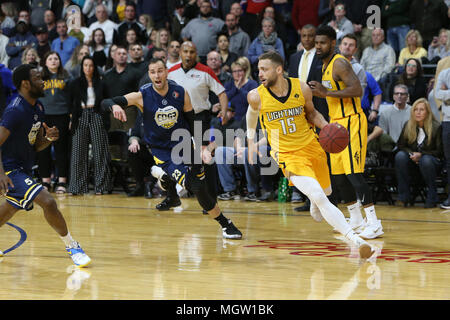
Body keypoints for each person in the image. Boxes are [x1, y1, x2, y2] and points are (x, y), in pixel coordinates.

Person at [246, 50, 374, 258]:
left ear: (278, 70)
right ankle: (356, 239)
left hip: (311, 146)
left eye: (264, 69)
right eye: (258, 69)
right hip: (287, 153)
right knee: (320, 196)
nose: (259, 73)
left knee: (326, 191)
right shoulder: (255, 96)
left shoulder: (301, 87)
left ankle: (315, 202)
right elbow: (250, 117)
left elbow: (312, 113)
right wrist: (250, 141)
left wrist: (328, 128)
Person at [101, 57, 243, 239]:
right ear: (149, 75)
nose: (157, 75)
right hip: (163, 152)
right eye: (152, 72)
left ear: (167, 72)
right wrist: (114, 107)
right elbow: (106, 102)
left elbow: (193, 120)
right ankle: (226, 224)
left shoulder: (179, 92)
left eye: (160, 71)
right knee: (196, 186)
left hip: (184, 144)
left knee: (202, 179)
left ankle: (170, 191)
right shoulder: (142, 95)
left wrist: (201, 146)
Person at [0, 64, 90, 266]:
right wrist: (1, 174)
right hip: (9, 169)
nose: (44, 82)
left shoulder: (38, 107)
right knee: (48, 201)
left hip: (23, 167)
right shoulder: (15, 110)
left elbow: (36, 145)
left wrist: (48, 138)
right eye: (38, 78)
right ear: (25, 83)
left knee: (11, 208)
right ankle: (72, 246)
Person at [309, 26, 384, 239]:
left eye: (322, 43)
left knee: (354, 174)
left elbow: (357, 90)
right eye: (316, 43)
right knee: (339, 177)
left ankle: (374, 222)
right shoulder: (323, 67)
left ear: (333, 43)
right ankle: (357, 219)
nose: (318, 46)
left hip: (351, 122)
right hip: (336, 124)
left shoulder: (339, 62)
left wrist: (326, 92)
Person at [168, 41, 229, 205]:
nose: (188, 55)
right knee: (177, 157)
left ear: (196, 54)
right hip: (178, 119)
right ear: (180, 53)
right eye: (186, 51)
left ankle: (211, 198)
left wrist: (223, 110)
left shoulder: (205, 71)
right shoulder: (171, 72)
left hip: (199, 118)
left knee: (204, 158)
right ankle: (174, 195)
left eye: (192, 52)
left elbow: (221, 92)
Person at [67, 55, 112, 195]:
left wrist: (105, 118)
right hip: (80, 116)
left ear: (95, 68)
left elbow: (106, 101)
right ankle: (77, 188)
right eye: (85, 65)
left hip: (97, 114)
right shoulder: (74, 83)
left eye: (91, 65)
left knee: (100, 152)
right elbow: (70, 103)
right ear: (82, 67)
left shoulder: (101, 83)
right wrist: (71, 119)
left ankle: (102, 187)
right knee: (78, 152)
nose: (88, 68)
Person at [395, 98, 443, 208]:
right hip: (413, 162)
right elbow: (401, 145)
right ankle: (403, 197)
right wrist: (412, 154)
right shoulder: (408, 125)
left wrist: (421, 155)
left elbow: (440, 152)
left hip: (432, 163)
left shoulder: (436, 127)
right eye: (415, 109)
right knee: (400, 156)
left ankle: (432, 197)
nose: (418, 112)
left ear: (428, 112)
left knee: (426, 160)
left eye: (421, 109)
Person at [37, 51, 72, 194]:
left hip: (61, 115)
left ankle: (61, 181)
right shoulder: (39, 78)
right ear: (45, 62)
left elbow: (71, 98)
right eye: (50, 58)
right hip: (44, 117)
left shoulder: (67, 77)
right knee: (43, 149)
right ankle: (45, 181)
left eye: (55, 58)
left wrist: (71, 117)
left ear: (59, 61)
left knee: (61, 149)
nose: (53, 61)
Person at [434, 66, 450, 209]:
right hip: (447, 120)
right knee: (449, 161)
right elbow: (437, 93)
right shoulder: (445, 73)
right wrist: (444, 94)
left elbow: (443, 94)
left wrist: (447, 93)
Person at [225, 57, 258, 123]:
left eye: (240, 71)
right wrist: (235, 88)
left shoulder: (252, 84)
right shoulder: (229, 85)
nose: (237, 73)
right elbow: (225, 98)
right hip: (231, 119)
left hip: (248, 118)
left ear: (245, 71)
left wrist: (240, 89)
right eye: (234, 71)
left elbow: (253, 101)